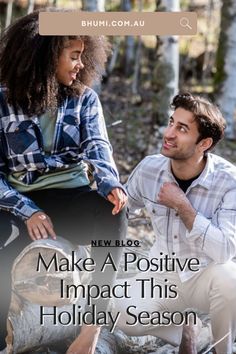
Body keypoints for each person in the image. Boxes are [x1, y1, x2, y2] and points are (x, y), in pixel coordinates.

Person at [0, 10, 127, 354]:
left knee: (113, 216)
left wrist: (109, 183)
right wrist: (27, 211)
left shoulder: (84, 98)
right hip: (18, 202)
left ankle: (91, 331)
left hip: (71, 198)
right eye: (73, 55)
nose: (79, 64)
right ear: (45, 56)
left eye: (83, 56)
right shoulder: (1, 101)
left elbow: (98, 147)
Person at [115, 92, 236, 354]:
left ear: (204, 143)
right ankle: (185, 329)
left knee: (231, 281)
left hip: (206, 274)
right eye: (171, 122)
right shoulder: (149, 169)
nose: (169, 133)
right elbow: (123, 210)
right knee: (121, 312)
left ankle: (221, 350)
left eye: (181, 129)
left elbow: (226, 250)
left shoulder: (229, 181)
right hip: (162, 273)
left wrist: (184, 207)